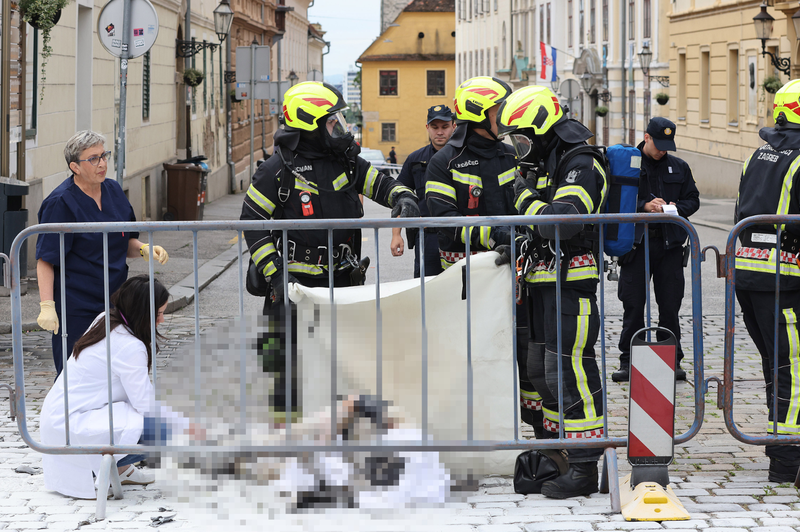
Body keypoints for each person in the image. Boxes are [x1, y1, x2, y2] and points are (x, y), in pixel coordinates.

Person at [241, 81, 419, 419]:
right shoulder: (276, 170)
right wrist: (276, 276)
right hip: (294, 289)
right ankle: (289, 451)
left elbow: (379, 182)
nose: (339, 127)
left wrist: (403, 197)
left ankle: (338, 450)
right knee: (285, 377)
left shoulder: (345, 160)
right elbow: (252, 222)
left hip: (343, 283)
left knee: (345, 371)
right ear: (310, 126)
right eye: (331, 121)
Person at [498, 86, 609, 499]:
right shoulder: (548, 161)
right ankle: (558, 454)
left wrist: (523, 198)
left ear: (544, 128)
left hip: (572, 283)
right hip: (543, 282)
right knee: (543, 372)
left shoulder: (581, 162)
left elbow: (561, 222)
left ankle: (584, 466)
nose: (518, 147)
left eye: (523, 137)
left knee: (570, 371)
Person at [35, 131, 169, 377]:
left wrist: (141, 248)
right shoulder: (60, 203)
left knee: (111, 374)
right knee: (75, 375)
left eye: (104, 156)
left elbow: (124, 241)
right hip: (77, 305)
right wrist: (47, 305)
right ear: (75, 166)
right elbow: (46, 259)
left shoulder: (114, 191)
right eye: (93, 158)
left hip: (115, 303)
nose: (103, 163)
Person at [39, 275, 181, 499]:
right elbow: (145, 404)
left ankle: (122, 470)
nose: (161, 321)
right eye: (159, 313)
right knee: (165, 430)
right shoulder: (130, 346)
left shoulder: (106, 318)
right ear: (142, 314)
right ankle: (115, 464)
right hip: (71, 425)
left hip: (59, 418)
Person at [734, 79, 800, 483]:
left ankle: (783, 449)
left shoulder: (757, 153)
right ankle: (787, 460)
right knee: (792, 367)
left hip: (750, 274)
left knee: (776, 365)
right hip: (786, 278)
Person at [612, 118, 699, 383]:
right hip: (636, 246)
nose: (663, 150)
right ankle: (629, 362)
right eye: (658, 144)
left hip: (669, 246)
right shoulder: (628, 165)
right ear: (647, 138)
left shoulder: (678, 167)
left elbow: (692, 199)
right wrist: (644, 206)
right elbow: (615, 200)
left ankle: (671, 361)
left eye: (667, 146)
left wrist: (672, 209)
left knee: (670, 306)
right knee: (634, 306)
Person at [390, 104, 456, 277]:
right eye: (435, 127)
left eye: (444, 127)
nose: (439, 132)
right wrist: (396, 235)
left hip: (457, 235)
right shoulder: (415, 160)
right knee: (425, 289)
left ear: (453, 126)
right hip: (427, 237)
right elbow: (400, 198)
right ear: (427, 128)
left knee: (459, 287)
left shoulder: (463, 158)